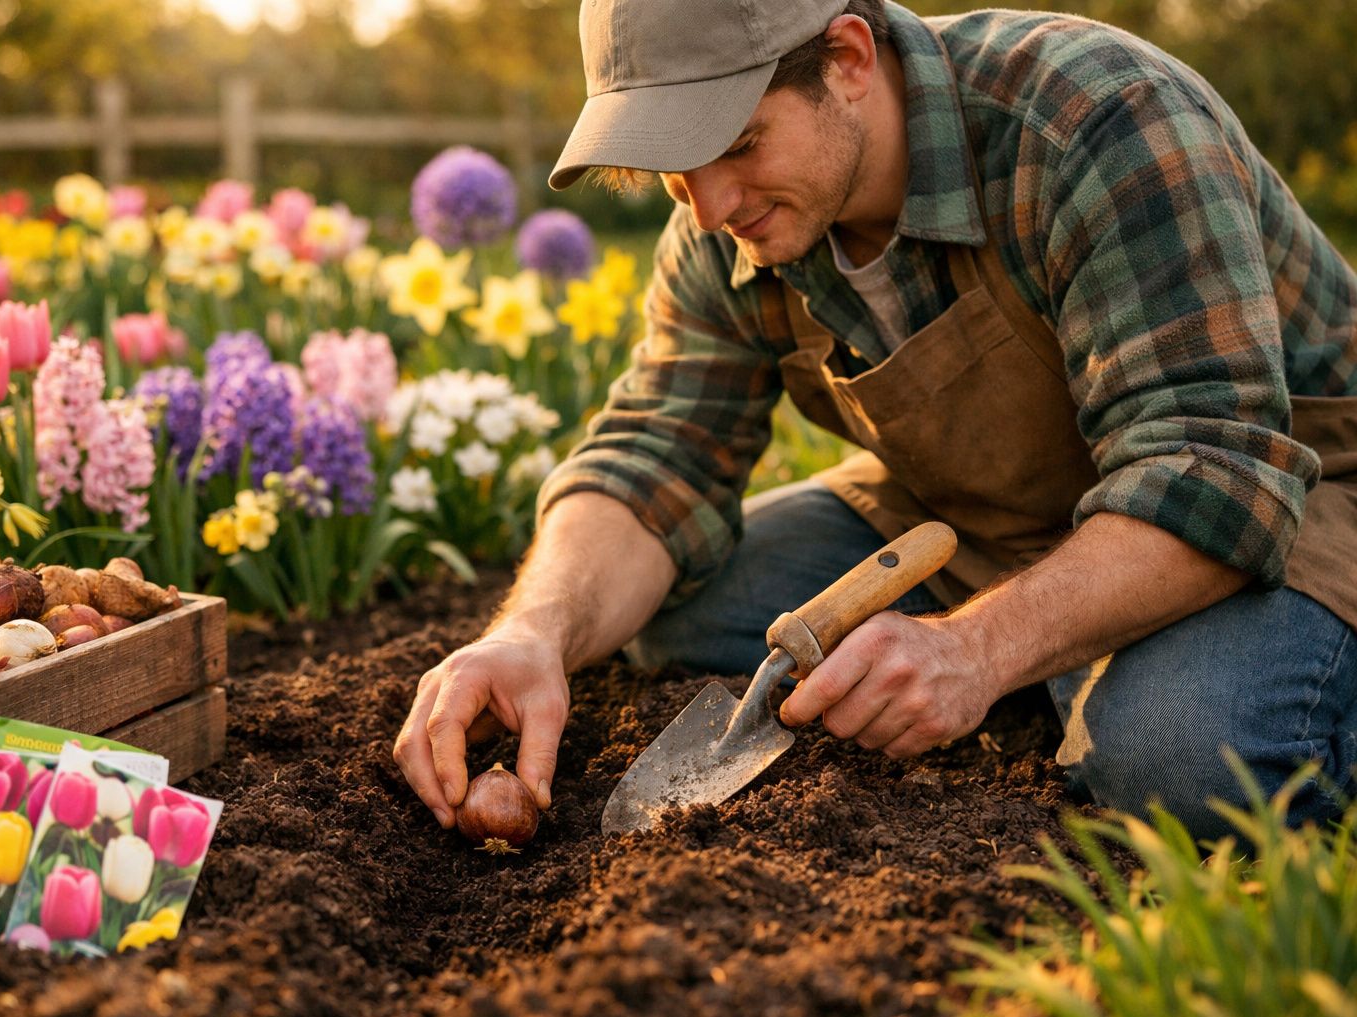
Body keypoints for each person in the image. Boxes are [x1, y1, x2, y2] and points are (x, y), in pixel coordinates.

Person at [394, 0, 1357, 839]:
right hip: (982, 517)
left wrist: (976, 648)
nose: (713, 205)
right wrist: (532, 634)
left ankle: (1095, 667)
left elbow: (1216, 467)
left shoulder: (1097, 120)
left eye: (736, 144)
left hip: (1286, 493)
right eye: (676, 173)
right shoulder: (729, 220)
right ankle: (1055, 657)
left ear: (848, 59)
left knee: (1183, 762)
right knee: (681, 608)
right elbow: (656, 455)